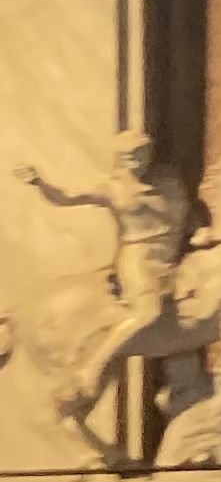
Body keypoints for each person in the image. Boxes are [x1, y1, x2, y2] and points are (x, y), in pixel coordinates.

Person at [18, 131, 188, 415]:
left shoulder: (167, 183)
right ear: (120, 158)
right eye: (129, 156)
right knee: (148, 312)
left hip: (168, 256)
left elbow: (182, 215)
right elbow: (67, 197)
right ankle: (91, 367)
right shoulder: (113, 188)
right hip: (138, 258)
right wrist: (40, 183)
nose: (135, 162)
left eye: (140, 155)